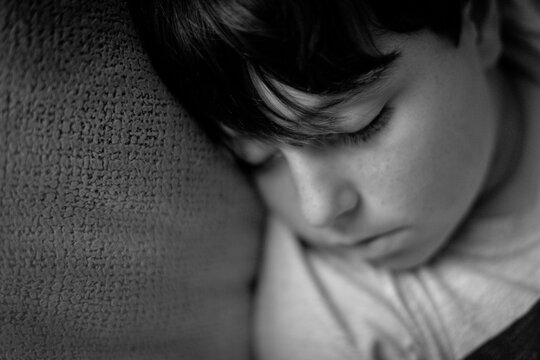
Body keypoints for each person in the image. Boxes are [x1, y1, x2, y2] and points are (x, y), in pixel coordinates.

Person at [129, 0, 540, 358]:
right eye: (259, 160)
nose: (318, 210)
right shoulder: (337, 336)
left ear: (480, 21)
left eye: (355, 128)